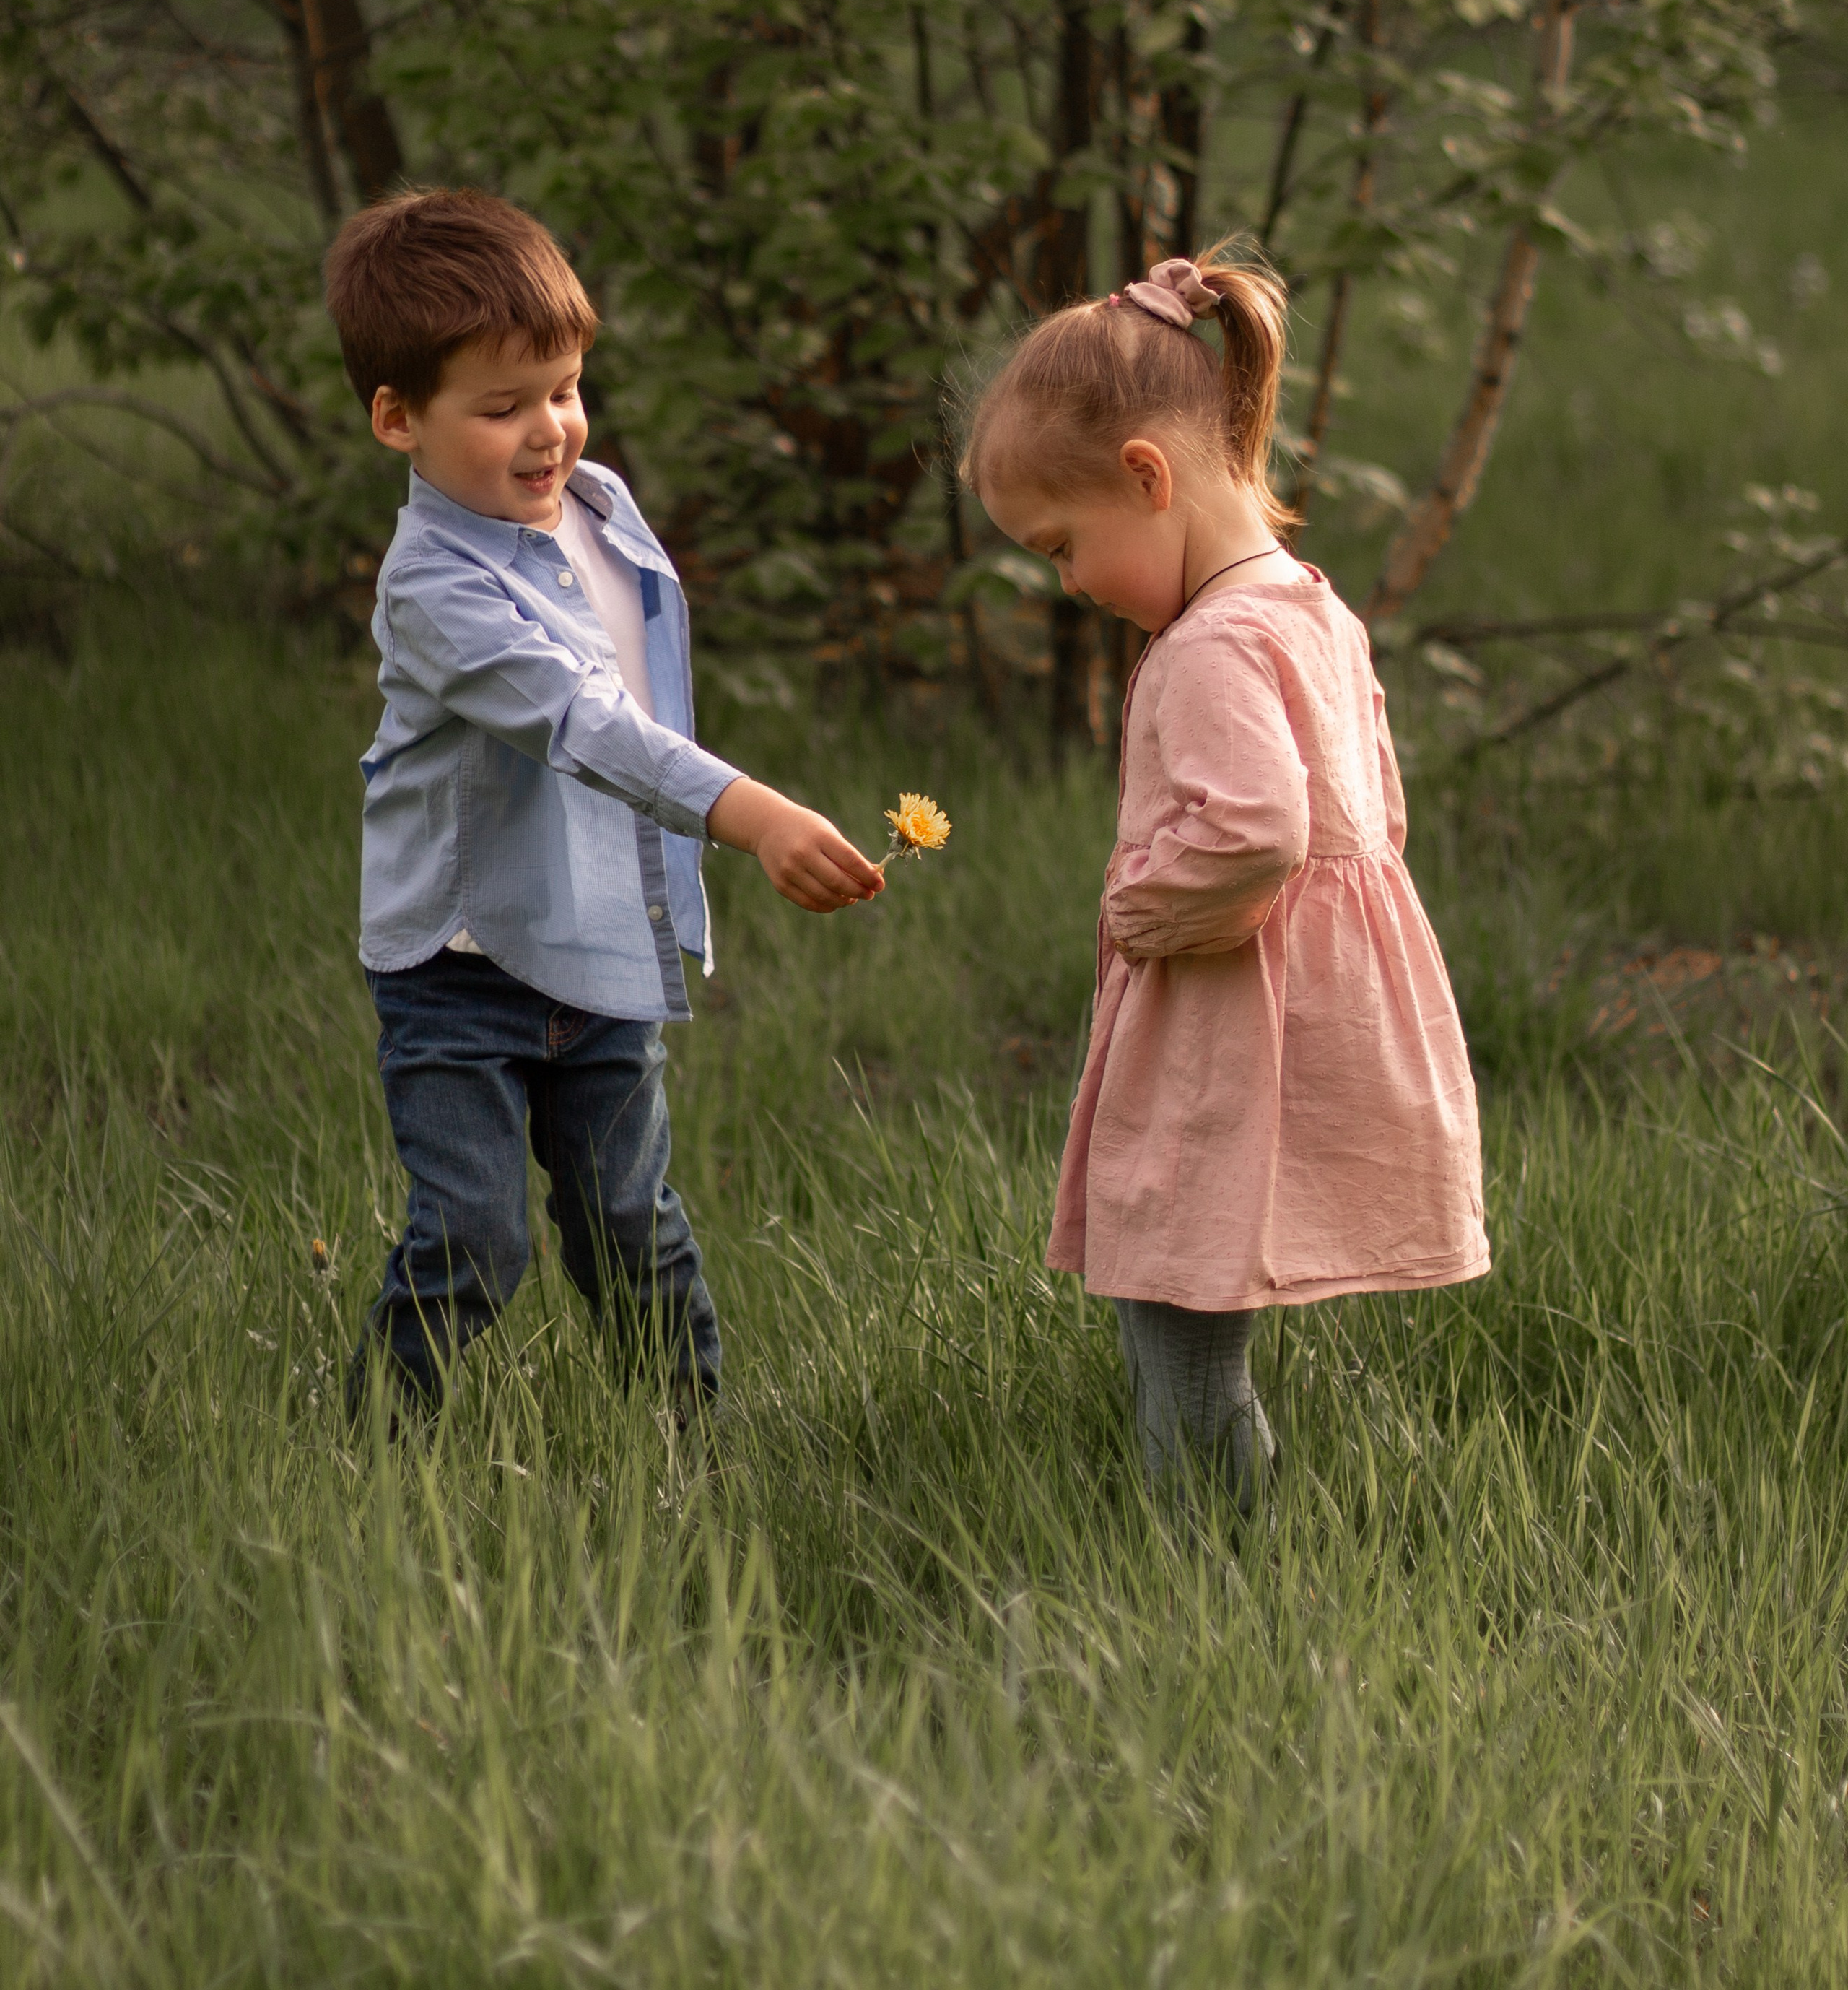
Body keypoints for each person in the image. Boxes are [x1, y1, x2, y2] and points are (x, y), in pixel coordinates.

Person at [324, 188, 883, 1428]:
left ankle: (692, 1456)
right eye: (503, 406)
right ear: (397, 418)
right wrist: (748, 813)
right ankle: (366, 1448)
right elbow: (583, 720)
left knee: (631, 1225)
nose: (550, 431)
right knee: (474, 1239)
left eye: (567, 388)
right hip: (461, 968)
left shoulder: (599, 506)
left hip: (599, 950)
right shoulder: (433, 588)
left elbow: (647, 671)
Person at [964, 248, 1489, 1515]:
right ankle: (1242, 1545)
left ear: (1147, 478)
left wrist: (1144, 907)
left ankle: (1204, 1560)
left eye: (1063, 547)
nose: (1070, 584)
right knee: (1187, 1302)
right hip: (1309, 1016)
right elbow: (1381, 813)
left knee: (1175, 1307)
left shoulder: (1206, 646)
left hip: (1225, 1023)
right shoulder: (1314, 609)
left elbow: (1259, 831)